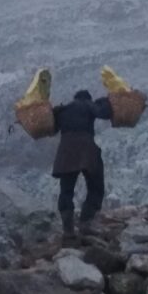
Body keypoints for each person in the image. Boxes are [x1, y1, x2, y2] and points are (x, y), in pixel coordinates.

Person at [52, 90, 113, 238]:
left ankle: (68, 230)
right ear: (87, 98)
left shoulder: (63, 109)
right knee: (96, 186)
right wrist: (106, 100)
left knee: (66, 190)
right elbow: (103, 113)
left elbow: (52, 129)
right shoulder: (87, 104)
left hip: (65, 151)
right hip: (86, 149)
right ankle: (86, 222)